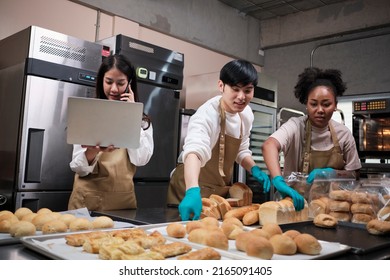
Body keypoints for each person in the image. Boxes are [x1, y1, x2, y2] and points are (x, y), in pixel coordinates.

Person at [167, 59, 271, 221]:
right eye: (235, 89)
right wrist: (192, 191)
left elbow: (241, 151)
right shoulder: (207, 114)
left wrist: (255, 169)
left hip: (217, 189)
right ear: (221, 86)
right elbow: (194, 151)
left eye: (248, 90)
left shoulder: (246, 114)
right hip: (190, 184)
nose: (241, 97)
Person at [262, 67, 362, 211]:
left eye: (326, 104)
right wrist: (278, 179)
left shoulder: (343, 134)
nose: (320, 110)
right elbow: (269, 145)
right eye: (314, 104)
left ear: (335, 105)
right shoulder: (295, 126)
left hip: (333, 208)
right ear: (306, 104)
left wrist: (331, 173)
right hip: (295, 206)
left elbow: (355, 174)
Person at [68, 54, 153, 211]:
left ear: (130, 85)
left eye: (121, 83)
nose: (114, 89)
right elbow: (77, 168)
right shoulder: (87, 115)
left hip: (123, 204)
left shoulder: (142, 122)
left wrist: (132, 116)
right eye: (109, 82)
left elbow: (141, 159)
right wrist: (93, 150)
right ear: (101, 81)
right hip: (86, 203)